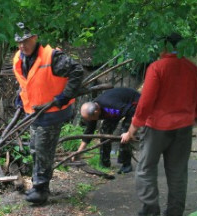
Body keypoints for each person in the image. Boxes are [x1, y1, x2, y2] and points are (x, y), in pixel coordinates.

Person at [121, 32, 197, 216]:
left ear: (165, 47)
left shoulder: (157, 68)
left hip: (157, 128)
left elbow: (145, 103)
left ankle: (151, 209)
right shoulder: (192, 69)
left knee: (145, 168)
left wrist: (132, 129)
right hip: (183, 127)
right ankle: (175, 214)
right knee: (178, 171)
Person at [12, 22, 85, 205]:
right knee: (35, 148)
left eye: (26, 41)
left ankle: (41, 189)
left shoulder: (51, 56)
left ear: (35, 37)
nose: (22, 45)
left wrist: (64, 96)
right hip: (34, 111)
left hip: (52, 111)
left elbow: (77, 71)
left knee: (43, 148)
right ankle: (39, 186)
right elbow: (27, 82)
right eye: (19, 42)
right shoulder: (19, 58)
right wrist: (21, 98)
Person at [76, 87, 141, 173]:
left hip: (133, 106)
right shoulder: (93, 110)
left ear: (96, 112)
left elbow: (133, 112)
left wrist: (129, 133)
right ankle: (104, 163)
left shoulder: (111, 104)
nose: (89, 121)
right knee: (105, 131)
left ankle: (126, 164)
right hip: (117, 110)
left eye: (90, 118)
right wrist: (79, 152)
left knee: (124, 134)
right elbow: (89, 131)